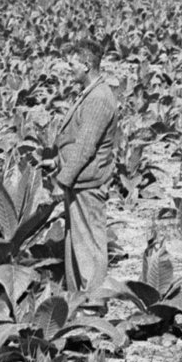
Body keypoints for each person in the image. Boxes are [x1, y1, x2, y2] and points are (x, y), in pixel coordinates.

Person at [48, 34, 123, 301]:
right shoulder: (91, 93)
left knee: (89, 244)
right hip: (80, 180)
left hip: (87, 183)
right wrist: (56, 162)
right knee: (77, 243)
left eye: (72, 65)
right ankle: (81, 300)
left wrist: (62, 181)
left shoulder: (98, 99)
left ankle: (94, 302)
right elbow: (76, 139)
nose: (69, 70)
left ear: (87, 65)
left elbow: (86, 147)